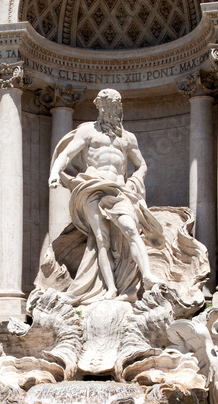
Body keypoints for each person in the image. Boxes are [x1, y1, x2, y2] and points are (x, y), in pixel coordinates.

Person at [48, 88, 164, 303]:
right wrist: (55, 172)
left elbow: (141, 165)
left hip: (119, 190)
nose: (107, 110)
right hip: (93, 187)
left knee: (130, 229)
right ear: (98, 107)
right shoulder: (88, 132)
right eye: (103, 106)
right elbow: (67, 154)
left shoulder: (128, 138)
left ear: (119, 108)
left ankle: (146, 276)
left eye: (111, 106)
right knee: (101, 239)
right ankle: (110, 289)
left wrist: (135, 181)